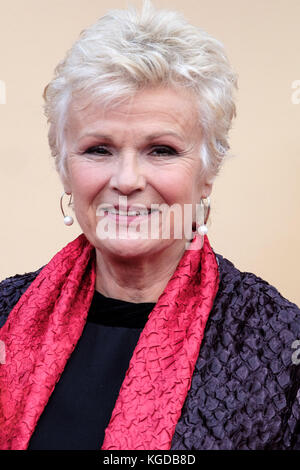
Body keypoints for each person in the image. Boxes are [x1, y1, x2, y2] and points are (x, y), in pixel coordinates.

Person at [0, 1, 300, 451]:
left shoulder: (278, 343)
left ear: (207, 173)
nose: (126, 181)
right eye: (99, 149)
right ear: (64, 169)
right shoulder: (5, 315)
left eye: (161, 150)